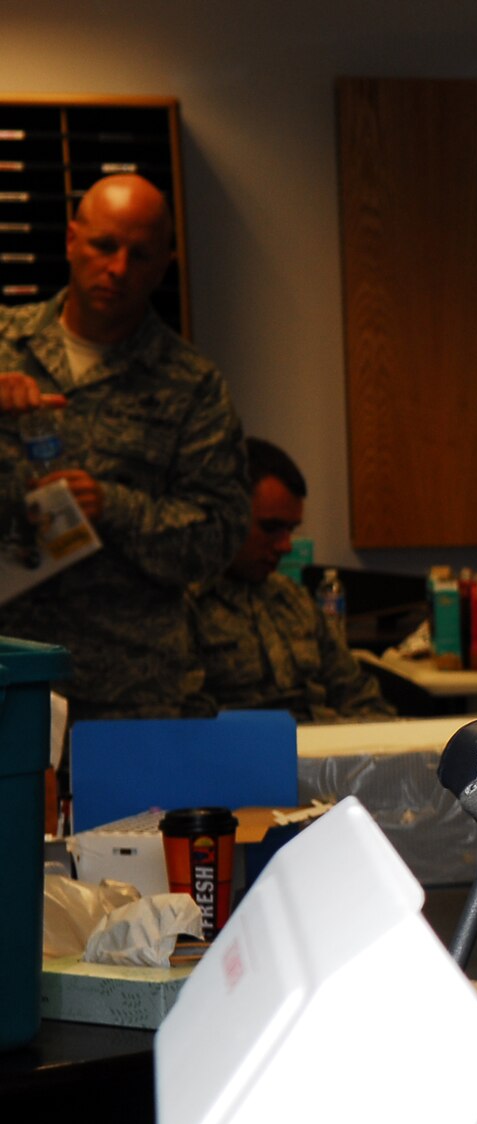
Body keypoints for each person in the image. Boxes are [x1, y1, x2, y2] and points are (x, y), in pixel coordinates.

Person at [0, 174, 249, 717]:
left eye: (139, 255)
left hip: (129, 688)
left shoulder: (191, 384)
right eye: (103, 246)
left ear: (164, 265)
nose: (117, 269)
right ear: (71, 240)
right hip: (9, 673)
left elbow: (219, 537)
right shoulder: (4, 347)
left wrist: (113, 507)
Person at [187, 439, 394, 722]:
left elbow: (359, 696)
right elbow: (184, 725)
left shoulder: (291, 600)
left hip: (325, 754)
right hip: (243, 758)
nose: (285, 546)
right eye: (271, 528)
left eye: (291, 530)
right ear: (225, 516)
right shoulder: (182, 606)